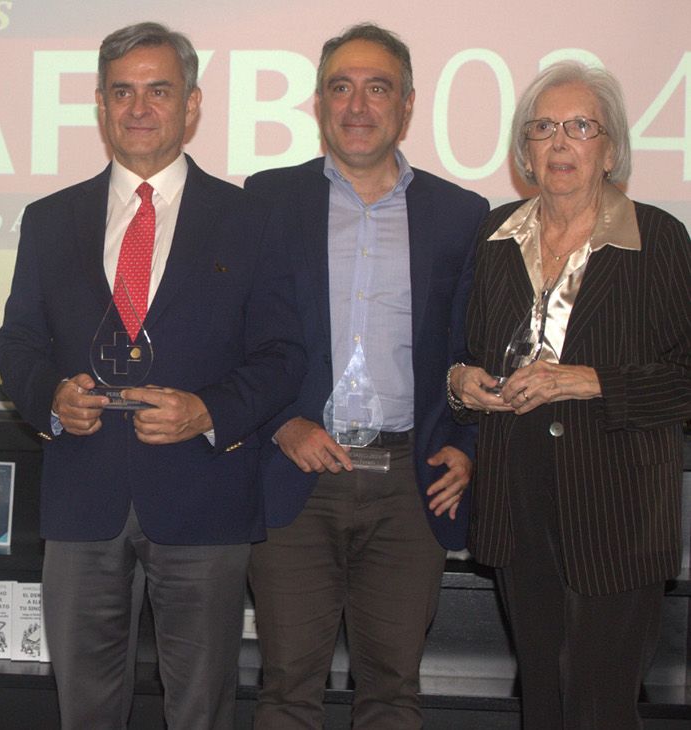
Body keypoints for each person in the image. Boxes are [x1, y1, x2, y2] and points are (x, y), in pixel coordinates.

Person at [0, 22, 304, 729]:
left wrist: (207, 410)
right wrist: (50, 398)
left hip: (204, 492)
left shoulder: (250, 220)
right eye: (122, 92)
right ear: (100, 107)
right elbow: (17, 341)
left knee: (200, 707)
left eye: (158, 91)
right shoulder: (49, 220)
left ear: (192, 105)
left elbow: (284, 354)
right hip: (83, 491)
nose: (139, 108)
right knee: (86, 708)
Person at [242, 23, 488, 729]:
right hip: (296, 479)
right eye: (340, 87)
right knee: (287, 690)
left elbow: (475, 345)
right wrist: (283, 422)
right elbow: (237, 337)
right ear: (318, 104)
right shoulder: (265, 200)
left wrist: (467, 446)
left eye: (377, 88)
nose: (357, 105)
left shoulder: (461, 215)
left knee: (392, 693)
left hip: (410, 487)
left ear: (407, 105)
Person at [448, 61, 691, 730]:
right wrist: (462, 384)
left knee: (599, 706)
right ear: (525, 151)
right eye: (544, 128)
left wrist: (589, 379)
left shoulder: (658, 240)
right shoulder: (495, 237)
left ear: (610, 148)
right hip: (517, 503)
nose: (560, 143)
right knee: (543, 704)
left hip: (619, 511)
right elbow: (465, 351)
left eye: (580, 127)